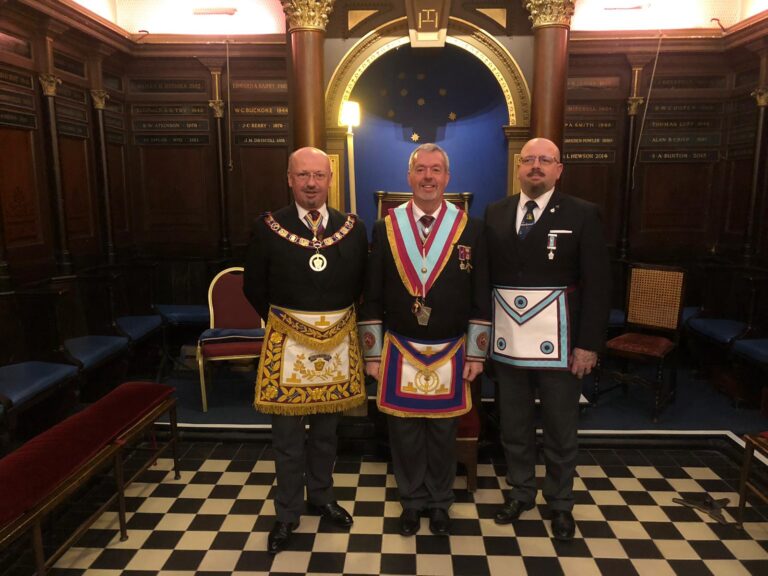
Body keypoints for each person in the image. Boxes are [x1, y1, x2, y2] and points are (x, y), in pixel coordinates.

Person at [359, 143, 490, 537]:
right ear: (409, 176)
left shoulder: (471, 228)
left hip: (452, 349)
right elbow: (372, 295)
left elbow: (480, 295)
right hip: (400, 348)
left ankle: (439, 502)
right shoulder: (385, 227)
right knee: (404, 434)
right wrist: (372, 354)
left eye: (436, 170)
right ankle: (411, 501)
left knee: (443, 433)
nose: (428, 177)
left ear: (447, 177)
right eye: (421, 169)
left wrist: (477, 353)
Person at [243, 146, 368, 554]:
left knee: (327, 433)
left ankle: (322, 495)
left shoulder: (352, 228)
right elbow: (253, 286)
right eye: (302, 175)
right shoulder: (268, 227)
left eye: (318, 175)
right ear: (289, 179)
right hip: (287, 346)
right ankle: (287, 512)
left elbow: (361, 284)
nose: (311, 183)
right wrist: (288, 325)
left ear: (330, 178)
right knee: (287, 438)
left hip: (337, 344)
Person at [484, 137, 610, 541]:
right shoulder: (496, 212)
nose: (535, 166)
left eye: (545, 160)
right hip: (508, 344)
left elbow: (598, 284)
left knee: (560, 427)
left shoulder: (583, 213)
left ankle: (560, 502)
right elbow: (485, 279)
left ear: (559, 169)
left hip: (563, 344)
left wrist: (588, 344)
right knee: (513, 425)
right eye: (529, 159)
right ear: (519, 167)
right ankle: (521, 492)